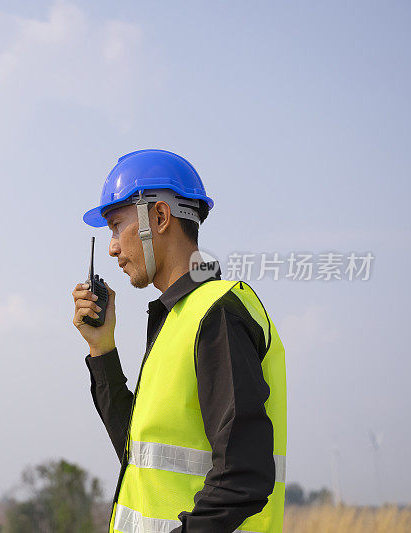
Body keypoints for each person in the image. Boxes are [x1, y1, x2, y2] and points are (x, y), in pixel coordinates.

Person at [71, 149, 287, 533]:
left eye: (117, 225)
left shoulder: (217, 313)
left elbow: (244, 476)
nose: (112, 248)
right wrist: (101, 348)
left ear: (159, 217)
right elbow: (135, 453)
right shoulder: (178, 318)